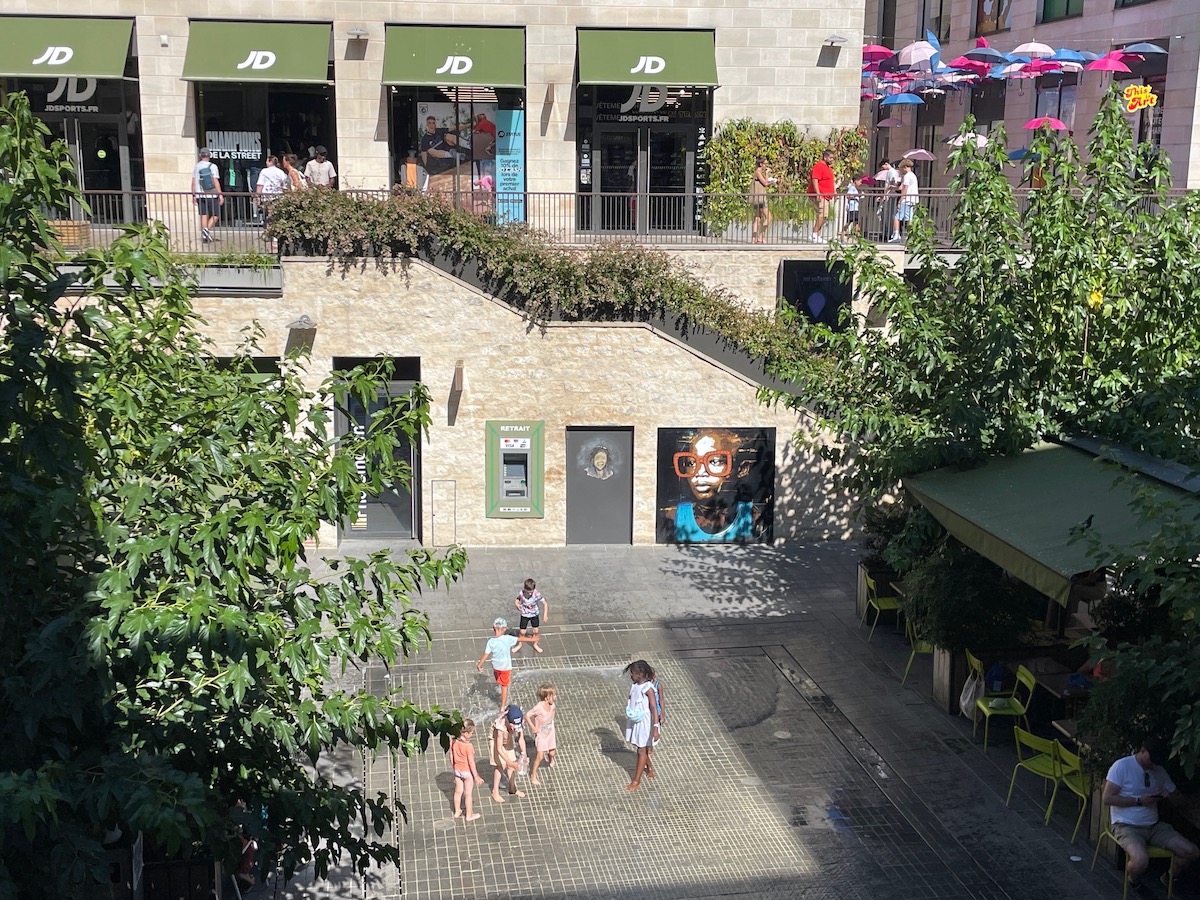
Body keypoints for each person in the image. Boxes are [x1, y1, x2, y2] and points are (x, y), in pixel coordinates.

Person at [1103, 737, 1199, 893]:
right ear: (1143, 751)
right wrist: (1138, 801)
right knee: (1140, 860)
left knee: (1191, 851)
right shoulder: (1121, 766)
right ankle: (1133, 881)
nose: (1153, 764)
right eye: (1151, 759)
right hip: (1127, 825)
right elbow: (1107, 798)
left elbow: (1180, 800)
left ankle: (1168, 877)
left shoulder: (1159, 771)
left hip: (1154, 826)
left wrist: (1167, 795)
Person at [669, 428, 767, 542]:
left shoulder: (752, 517)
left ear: (741, 469)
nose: (700, 473)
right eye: (692, 463)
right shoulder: (675, 515)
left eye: (714, 461)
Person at [475, 617, 538, 713]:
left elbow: (486, 654)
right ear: (504, 629)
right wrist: (532, 639)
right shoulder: (507, 638)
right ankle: (502, 706)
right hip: (505, 667)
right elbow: (520, 638)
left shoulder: (491, 641)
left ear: (493, 628)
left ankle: (500, 685)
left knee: (499, 679)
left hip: (495, 665)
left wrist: (479, 664)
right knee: (504, 686)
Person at [622, 660, 660, 791]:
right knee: (639, 747)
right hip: (635, 720)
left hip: (645, 722)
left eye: (632, 673)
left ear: (640, 674)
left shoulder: (648, 688)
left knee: (641, 749)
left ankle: (636, 780)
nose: (631, 676)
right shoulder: (635, 686)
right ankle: (648, 766)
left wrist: (655, 727)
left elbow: (654, 707)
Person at [489, 704, 528, 802]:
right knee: (501, 765)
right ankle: (495, 791)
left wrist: (524, 754)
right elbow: (499, 748)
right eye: (513, 725)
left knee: (512, 762)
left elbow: (521, 739)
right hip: (496, 741)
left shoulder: (518, 723)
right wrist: (509, 763)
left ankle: (512, 788)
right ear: (507, 719)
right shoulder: (500, 726)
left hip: (508, 739)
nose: (515, 728)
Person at [449, 719, 485, 821]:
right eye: (472, 732)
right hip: (466, 772)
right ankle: (469, 815)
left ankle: (457, 811)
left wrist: (454, 766)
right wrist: (476, 776)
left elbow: (451, 755)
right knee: (468, 794)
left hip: (457, 769)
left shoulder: (453, 740)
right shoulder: (468, 746)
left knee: (458, 791)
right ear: (466, 733)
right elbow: (471, 763)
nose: (472, 735)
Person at [526, 684, 557, 785]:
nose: (555, 697)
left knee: (552, 752)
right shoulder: (538, 707)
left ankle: (551, 758)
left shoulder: (552, 705)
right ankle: (533, 774)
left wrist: (551, 722)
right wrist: (533, 727)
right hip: (541, 736)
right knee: (540, 756)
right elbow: (527, 715)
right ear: (547, 697)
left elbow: (553, 712)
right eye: (554, 695)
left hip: (550, 733)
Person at [190, 148, 223, 244]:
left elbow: (193, 182)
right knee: (216, 214)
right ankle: (206, 230)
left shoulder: (197, 166)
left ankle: (205, 234)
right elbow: (215, 181)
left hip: (200, 194)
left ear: (200, 155)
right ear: (209, 155)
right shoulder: (212, 166)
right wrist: (220, 194)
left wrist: (194, 195)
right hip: (211, 194)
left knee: (203, 214)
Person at [254, 155, 289, 243]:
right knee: (275, 216)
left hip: (267, 197)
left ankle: (269, 234)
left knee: (268, 216)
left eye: (266, 161)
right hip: (278, 196)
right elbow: (284, 185)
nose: (266, 163)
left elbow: (260, 184)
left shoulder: (264, 171)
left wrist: (257, 196)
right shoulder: (280, 172)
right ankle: (275, 234)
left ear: (269, 161)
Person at [514, 578, 549, 653]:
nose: (530, 594)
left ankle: (535, 644)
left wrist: (545, 615)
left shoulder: (536, 594)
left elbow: (545, 603)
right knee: (522, 631)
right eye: (528, 592)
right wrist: (517, 604)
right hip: (525, 614)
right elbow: (517, 600)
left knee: (536, 631)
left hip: (534, 614)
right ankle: (519, 644)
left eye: (531, 592)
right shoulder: (522, 593)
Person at [809, 149, 836, 243]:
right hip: (821, 195)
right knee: (823, 214)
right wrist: (818, 193)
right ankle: (814, 233)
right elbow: (815, 179)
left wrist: (834, 192)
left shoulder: (827, 167)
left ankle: (817, 236)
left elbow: (830, 181)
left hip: (826, 195)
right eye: (830, 157)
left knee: (823, 215)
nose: (832, 159)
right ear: (825, 157)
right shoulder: (819, 166)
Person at [891, 158, 918, 243]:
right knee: (909, 218)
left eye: (902, 168)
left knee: (897, 217)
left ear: (905, 167)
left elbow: (904, 189)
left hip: (906, 199)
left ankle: (896, 235)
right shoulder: (913, 175)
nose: (901, 170)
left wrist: (900, 200)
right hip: (912, 199)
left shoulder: (907, 176)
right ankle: (910, 236)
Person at [874, 161, 900, 241]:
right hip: (889, 195)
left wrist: (884, 195)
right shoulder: (890, 171)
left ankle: (889, 233)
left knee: (890, 215)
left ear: (886, 164)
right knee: (887, 215)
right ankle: (887, 232)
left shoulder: (892, 171)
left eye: (882, 167)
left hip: (890, 196)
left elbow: (892, 183)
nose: (883, 169)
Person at [749, 157, 773, 244]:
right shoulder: (758, 172)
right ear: (761, 164)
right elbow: (765, 183)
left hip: (758, 198)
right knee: (769, 217)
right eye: (765, 164)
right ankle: (760, 236)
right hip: (760, 199)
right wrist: (769, 177)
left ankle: (754, 239)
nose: (766, 166)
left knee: (758, 218)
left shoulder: (758, 172)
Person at [841, 172, 864, 238]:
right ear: (856, 181)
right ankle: (843, 234)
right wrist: (858, 195)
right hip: (852, 208)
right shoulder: (852, 188)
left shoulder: (854, 188)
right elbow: (848, 196)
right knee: (849, 222)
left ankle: (858, 235)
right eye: (860, 181)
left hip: (855, 208)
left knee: (856, 222)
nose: (861, 183)